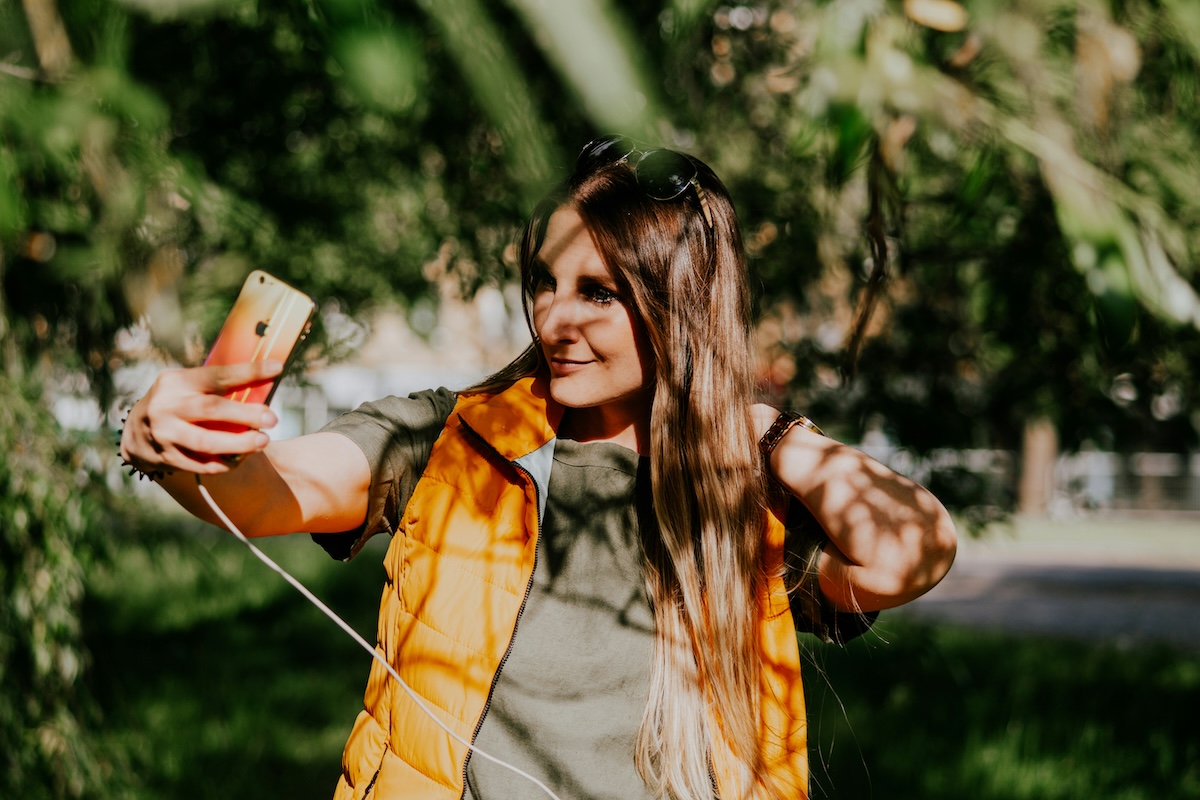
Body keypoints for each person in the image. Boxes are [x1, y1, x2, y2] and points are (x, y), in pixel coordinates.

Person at [119, 135, 957, 800]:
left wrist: (764, 431)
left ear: (682, 300)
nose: (555, 316)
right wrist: (178, 443)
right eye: (544, 282)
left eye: (599, 291)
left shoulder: (746, 498)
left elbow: (912, 549)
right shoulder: (449, 438)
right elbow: (268, 493)